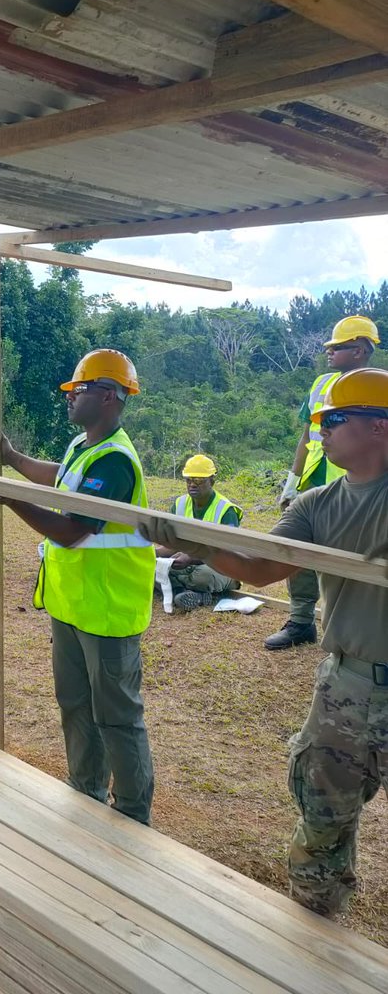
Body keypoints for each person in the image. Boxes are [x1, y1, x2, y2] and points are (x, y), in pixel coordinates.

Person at [142, 367, 388, 918]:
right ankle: (314, 938)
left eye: (335, 419)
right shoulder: (315, 505)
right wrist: (194, 542)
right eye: (321, 421)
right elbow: (258, 568)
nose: (320, 431)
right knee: (322, 822)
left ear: (379, 425)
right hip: (349, 685)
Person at [0, 349, 155, 825]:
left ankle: (133, 816)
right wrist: (11, 459)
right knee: (75, 706)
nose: (69, 396)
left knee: (116, 718)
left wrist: (7, 498)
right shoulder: (83, 446)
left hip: (108, 611)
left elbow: (73, 531)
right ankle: (86, 791)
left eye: (79, 389)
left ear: (108, 396)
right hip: (72, 606)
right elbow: (60, 479)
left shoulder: (115, 461)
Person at [267, 314, 381, 651]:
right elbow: (307, 437)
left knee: (351, 565)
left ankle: (352, 640)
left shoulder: (378, 388)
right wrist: (292, 483)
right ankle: (301, 621)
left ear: (360, 350)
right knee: (299, 552)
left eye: (338, 347)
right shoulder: (320, 384)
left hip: (358, 490)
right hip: (313, 483)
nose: (329, 351)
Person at [155, 454, 242, 611]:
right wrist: (155, 554)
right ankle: (183, 593)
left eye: (199, 480)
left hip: (219, 567)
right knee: (153, 568)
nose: (192, 485)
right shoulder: (180, 504)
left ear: (212, 481)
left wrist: (191, 559)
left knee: (203, 577)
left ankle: (181, 590)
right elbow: (173, 544)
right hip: (186, 563)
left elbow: (227, 552)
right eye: (189, 480)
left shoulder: (226, 510)